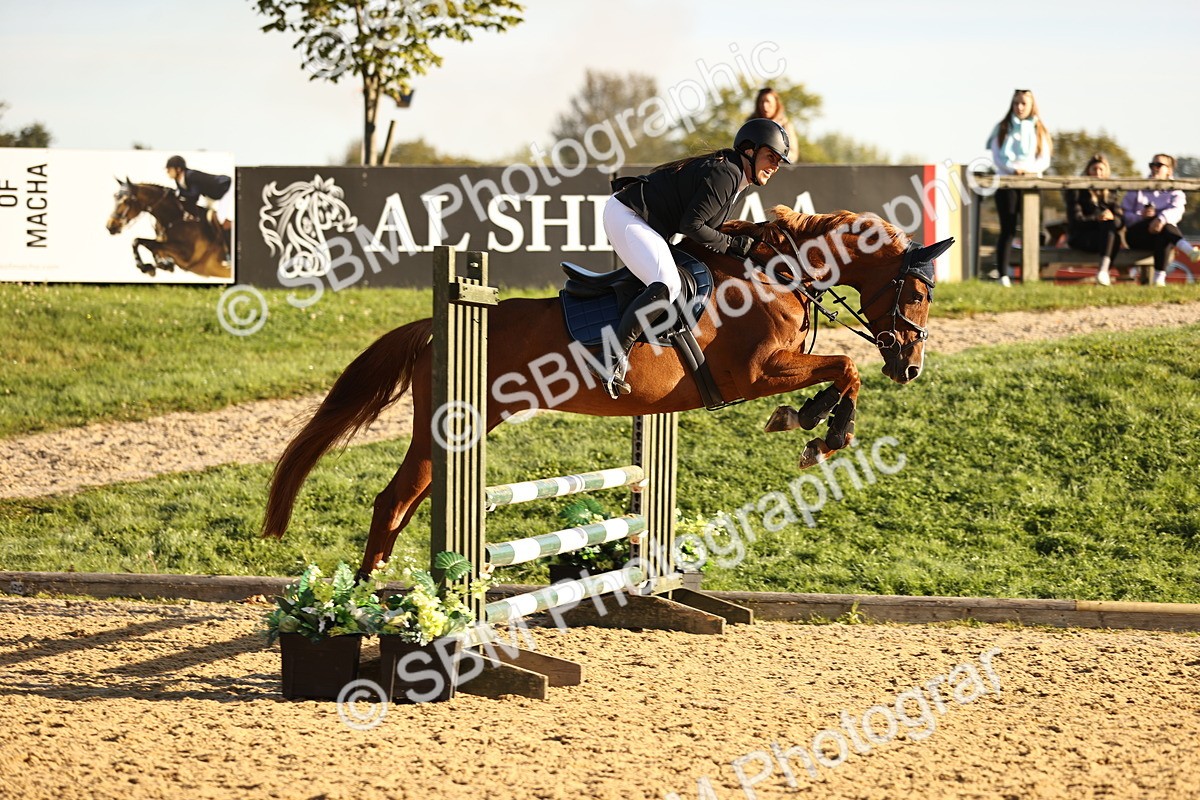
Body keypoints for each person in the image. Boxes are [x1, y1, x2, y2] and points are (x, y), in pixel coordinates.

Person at [596, 118, 790, 399]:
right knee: (668, 283)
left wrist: (736, 245)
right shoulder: (727, 173)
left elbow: (704, 228)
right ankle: (610, 355)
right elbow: (693, 226)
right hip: (628, 216)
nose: (775, 166)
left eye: (778, 161)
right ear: (749, 149)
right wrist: (732, 244)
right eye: (770, 157)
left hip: (647, 222)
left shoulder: (737, 176)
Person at [986, 89, 1052, 287]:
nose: (1020, 107)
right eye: (1016, 103)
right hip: (1007, 183)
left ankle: (1033, 271)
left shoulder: (1039, 129)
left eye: (1023, 103)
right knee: (1008, 229)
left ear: (1031, 105)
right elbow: (997, 157)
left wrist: (1027, 170)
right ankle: (1003, 274)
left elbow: (1044, 159)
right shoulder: (1003, 127)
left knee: (1035, 229)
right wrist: (1014, 170)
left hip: (1031, 183)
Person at [1121, 154, 1191, 286]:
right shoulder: (1138, 187)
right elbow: (1124, 214)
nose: (1154, 168)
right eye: (1152, 165)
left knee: (1164, 232)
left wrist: (1160, 219)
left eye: (1158, 165)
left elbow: (1177, 211)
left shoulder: (1176, 190)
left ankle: (1158, 280)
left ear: (1169, 170)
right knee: (1165, 228)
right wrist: (1141, 216)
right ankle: (1187, 249)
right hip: (1137, 235)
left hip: (1161, 235)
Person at [1064, 154, 1124, 285]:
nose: (1097, 173)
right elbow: (1076, 220)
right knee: (1110, 232)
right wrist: (1097, 219)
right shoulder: (1077, 191)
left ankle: (1103, 271)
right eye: (1094, 169)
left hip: (1105, 237)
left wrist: (1112, 218)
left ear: (1106, 172)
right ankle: (1103, 271)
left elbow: (1120, 220)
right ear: (1088, 171)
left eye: (1101, 169)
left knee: (1112, 231)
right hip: (1082, 237)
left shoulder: (1111, 193)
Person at [165, 155, 233, 258]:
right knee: (206, 218)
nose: (167, 172)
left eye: (169, 169)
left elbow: (193, 196)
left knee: (221, 219)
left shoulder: (191, 176)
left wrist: (178, 194)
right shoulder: (178, 180)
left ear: (178, 169)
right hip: (211, 195)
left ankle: (230, 253)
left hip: (225, 190)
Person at [746, 87, 798, 162]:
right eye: (762, 102)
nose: (764, 106)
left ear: (776, 104)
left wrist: (775, 154)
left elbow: (793, 155)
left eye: (768, 102)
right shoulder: (751, 124)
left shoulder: (785, 125)